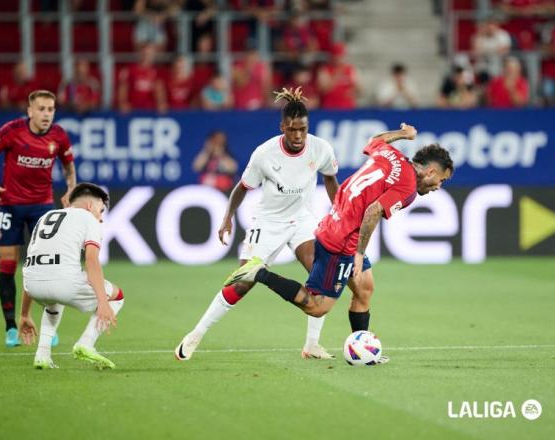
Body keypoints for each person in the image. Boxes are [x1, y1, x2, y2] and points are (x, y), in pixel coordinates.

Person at [224, 123, 454, 364]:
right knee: (317, 307)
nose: (439, 186)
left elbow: (374, 139)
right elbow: (374, 211)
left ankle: (362, 350)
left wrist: (402, 135)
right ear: (430, 172)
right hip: (343, 241)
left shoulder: (391, 154)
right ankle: (259, 273)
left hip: (334, 222)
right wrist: (358, 253)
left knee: (364, 289)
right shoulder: (407, 188)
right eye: (441, 180)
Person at [175, 87, 340, 361]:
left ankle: (312, 345)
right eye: (292, 129)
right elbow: (242, 187)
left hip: (302, 219)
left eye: (302, 128)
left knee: (321, 277)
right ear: (282, 128)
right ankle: (195, 334)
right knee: (244, 281)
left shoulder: (320, 148)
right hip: (269, 221)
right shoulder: (264, 154)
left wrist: (339, 213)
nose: (298, 135)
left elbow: (331, 180)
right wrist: (228, 217)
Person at [0, 90, 77, 347]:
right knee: (8, 264)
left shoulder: (59, 136)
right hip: (10, 206)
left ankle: (46, 328)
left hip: (41, 208)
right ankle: (12, 327)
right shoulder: (12, 130)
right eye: (41, 109)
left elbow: (68, 164)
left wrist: (70, 188)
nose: (46, 114)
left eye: (51, 109)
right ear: (30, 110)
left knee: (46, 267)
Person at [18, 183, 125, 370]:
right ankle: (86, 343)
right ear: (90, 206)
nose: (101, 218)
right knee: (117, 296)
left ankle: (42, 354)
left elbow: (33, 263)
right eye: (101, 211)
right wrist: (102, 302)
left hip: (32, 286)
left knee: (53, 299)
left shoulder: (46, 217)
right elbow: (91, 260)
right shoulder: (88, 219)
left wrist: (24, 314)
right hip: (64, 284)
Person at [317, 42, 359, 109]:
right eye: (337, 56)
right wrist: (335, 77)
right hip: (330, 107)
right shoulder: (325, 70)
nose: (340, 59)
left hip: (348, 107)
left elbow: (358, 88)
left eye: (341, 56)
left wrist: (353, 92)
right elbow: (323, 90)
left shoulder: (350, 69)